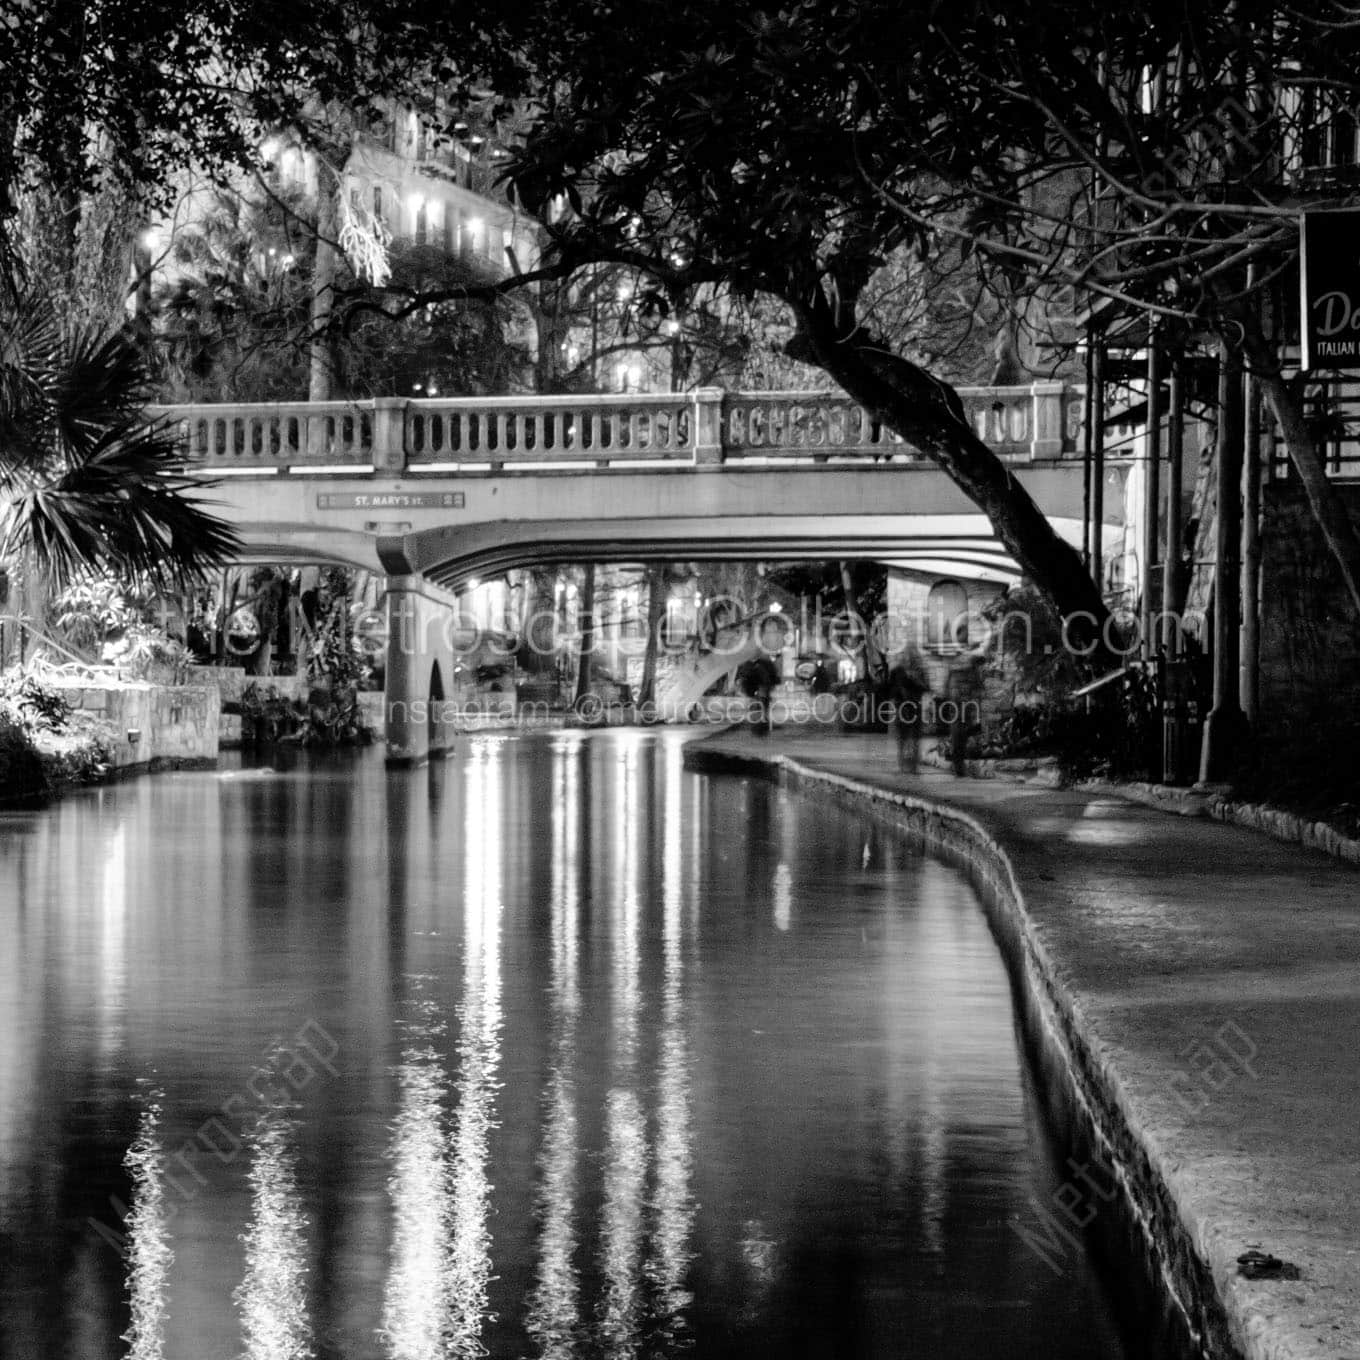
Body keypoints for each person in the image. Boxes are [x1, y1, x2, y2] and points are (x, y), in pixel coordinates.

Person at [886, 650, 929, 774]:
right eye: (906, 656)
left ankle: (913, 767)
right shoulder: (896, 671)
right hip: (901, 709)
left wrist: (916, 681)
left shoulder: (919, 671)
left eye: (912, 656)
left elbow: (925, 687)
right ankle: (902, 766)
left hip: (915, 708)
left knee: (914, 738)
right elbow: (889, 690)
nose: (909, 659)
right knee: (902, 738)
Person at [737, 652, 780, 735]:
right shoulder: (751, 664)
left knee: (760, 706)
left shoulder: (756, 664)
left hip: (760, 689)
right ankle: (760, 724)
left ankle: (760, 724)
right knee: (760, 706)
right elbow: (745, 677)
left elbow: (771, 676)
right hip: (757, 689)